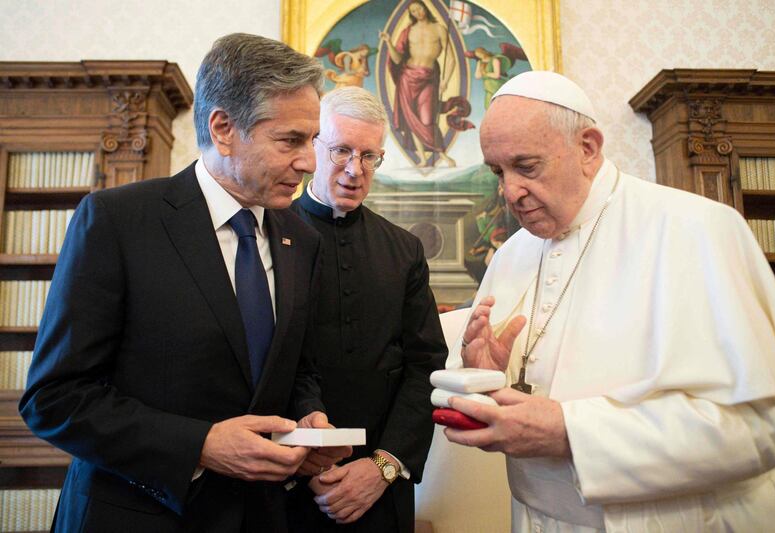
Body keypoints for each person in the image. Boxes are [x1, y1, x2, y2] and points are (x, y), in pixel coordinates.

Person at [19, 33, 350, 532]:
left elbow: (297, 369)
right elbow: (54, 398)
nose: (309, 162)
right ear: (223, 128)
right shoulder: (118, 222)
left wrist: (309, 420)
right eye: (291, 141)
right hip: (137, 516)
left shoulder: (301, 239)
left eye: (312, 141)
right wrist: (200, 446)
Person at [445, 70, 775, 532]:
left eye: (526, 167)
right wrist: (486, 374)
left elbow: (761, 431)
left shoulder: (696, 229)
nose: (509, 192)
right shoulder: (512, 253)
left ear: (588, 148)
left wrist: (571, 431)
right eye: (498, 172)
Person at [288, 86, 447, 532]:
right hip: (282, 483)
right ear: (314, 145)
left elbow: (426, 365)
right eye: (341, 151)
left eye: (370, 156)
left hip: (379, 490)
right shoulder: (266, 233)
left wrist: (384, 466)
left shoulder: (404, 249)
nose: (355, 170)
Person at [379, 1, 456, 168]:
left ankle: (442, 155)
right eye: (413, 11)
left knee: (427, 118)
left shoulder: (439, 29)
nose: (417, 12)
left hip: (428, 78)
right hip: (407, 77)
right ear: (411, 14)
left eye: (419, 8)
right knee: (410, 118)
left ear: (425, 8)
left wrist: (446, 80)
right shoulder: (408, 31)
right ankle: (422, 158)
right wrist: (388, 42)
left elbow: (450, 58)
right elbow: (398, 59)